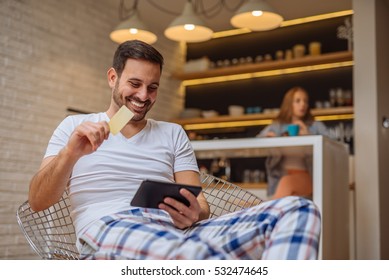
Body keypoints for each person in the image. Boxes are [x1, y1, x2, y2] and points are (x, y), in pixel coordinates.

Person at [29, 40, 321, 260]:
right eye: (135, 84)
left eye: (152, 87)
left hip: (181, 231)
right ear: (112, 78)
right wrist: (71, 153)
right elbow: (38, 201)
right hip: (111, 227)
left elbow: (202, 204)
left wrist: (195, 214)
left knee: (299, 209)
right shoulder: (75, 127)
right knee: (193, 256)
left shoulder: (172, 132)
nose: (144, 96)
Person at [257, 86, 331, 199]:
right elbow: (257, 140)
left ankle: (259, 207)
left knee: (285, 185)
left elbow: (333, 147)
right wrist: (268, 139)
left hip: (307, 177)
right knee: (286, 209)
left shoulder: (315, 126)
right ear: (289, 104)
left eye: (305, 101)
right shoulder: (277, 126)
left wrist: (310, 136)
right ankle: (260, 207)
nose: (303, 104)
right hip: (279, 179)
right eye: (298, 101)